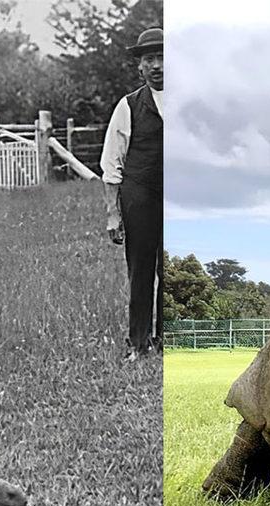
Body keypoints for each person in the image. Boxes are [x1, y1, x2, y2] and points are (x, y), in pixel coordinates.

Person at [100, 27, 164, 360]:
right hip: (139, 194)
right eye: (150, 59)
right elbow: (112, 162)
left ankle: (166, 340)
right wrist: (113, 212)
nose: (158, 65)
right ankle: (138, 343)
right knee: (141, 269)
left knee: (171, 270)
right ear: (140, 66)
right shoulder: (128, 106)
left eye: (164, 57)